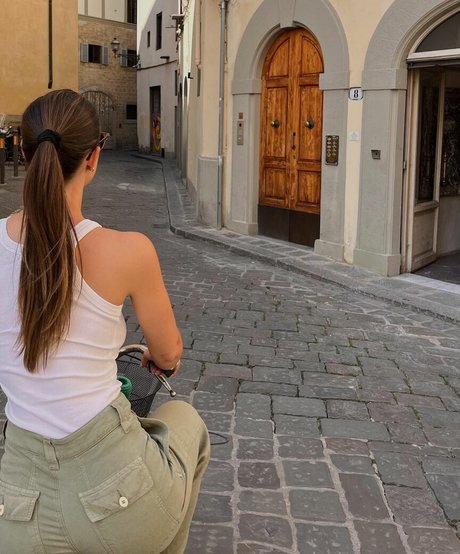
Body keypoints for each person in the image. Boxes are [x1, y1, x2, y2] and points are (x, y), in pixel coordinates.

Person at [0, 89, 210, 553]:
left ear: (24, 153)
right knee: (186, 421)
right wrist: (159, 360)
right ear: (94, 157)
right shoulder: (128, 251)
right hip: (118, 503)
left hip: (17, 514)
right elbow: (169, 352)